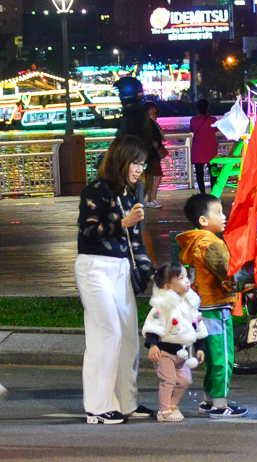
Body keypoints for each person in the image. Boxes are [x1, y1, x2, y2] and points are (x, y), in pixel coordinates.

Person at [74, 135, 155, 425]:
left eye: (142, 165)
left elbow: (136, 243)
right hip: (94, 267)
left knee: (129, 338)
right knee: (106, 333)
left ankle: (126, 402)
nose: (138, 170)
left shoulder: (128, 196)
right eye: (135, 162)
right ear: (121, 159)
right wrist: (122, 223)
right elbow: (88, 231)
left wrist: (154, 274)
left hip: (121, 269)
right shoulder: (96, 190)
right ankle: (97, 407)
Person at [176, 194, 248, 418]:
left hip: (203, 307)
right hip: (215, 307)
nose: (224, 216)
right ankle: (220, 404)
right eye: (218, 212)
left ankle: (209, 400)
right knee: (223, 357)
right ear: (203, 220)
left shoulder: (196, 242)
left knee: (212, 358)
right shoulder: (210, 243)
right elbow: (228, 272)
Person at [142, 262, 208, 422]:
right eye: (181, 278)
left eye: (187, 277)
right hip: (165, 353)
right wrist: (153, 345)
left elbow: (197, 325)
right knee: (169, 380)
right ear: (167, 287)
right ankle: (163, 411)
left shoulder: (190, 302)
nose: (187, 281)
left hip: (183, 353)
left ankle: (172, 404)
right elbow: (153, 325)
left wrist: (200, 347)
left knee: (185, 380)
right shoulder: (163, 306)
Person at [190, 100, 219, 195]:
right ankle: (214, 193)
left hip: (198, 150)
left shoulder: (193, 120)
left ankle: (202, 193)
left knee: (199, 173)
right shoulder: (213, 120)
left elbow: (191, 129)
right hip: (210, 150)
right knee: (213, 173)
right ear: (208, 108)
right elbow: (216, 129)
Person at [142, 101, 165, 209]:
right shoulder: (148, 123)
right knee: (156, 175)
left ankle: (151, 198)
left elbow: (161, 135)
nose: (155, 110)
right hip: (152, 152)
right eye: (153, 108)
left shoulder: (152, 122)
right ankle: (151, 199)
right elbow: (154, 136)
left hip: (152, 152)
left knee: (152, 175)